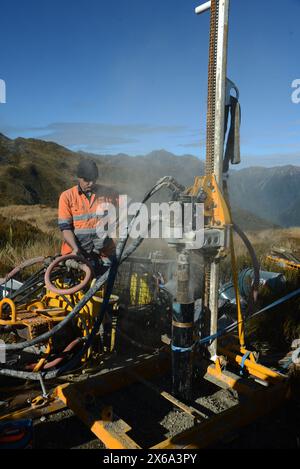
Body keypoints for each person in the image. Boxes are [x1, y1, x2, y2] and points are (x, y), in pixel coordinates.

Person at [58, 159, 118, 273]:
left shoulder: (107, 194)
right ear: (79, 178)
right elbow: (65, 228)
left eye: (93, 180)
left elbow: (129, 205)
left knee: (104, 288)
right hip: (76, 256)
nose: (91, 184)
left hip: (104, 255)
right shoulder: (67, 197)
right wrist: (75, 249)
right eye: (87, 180)